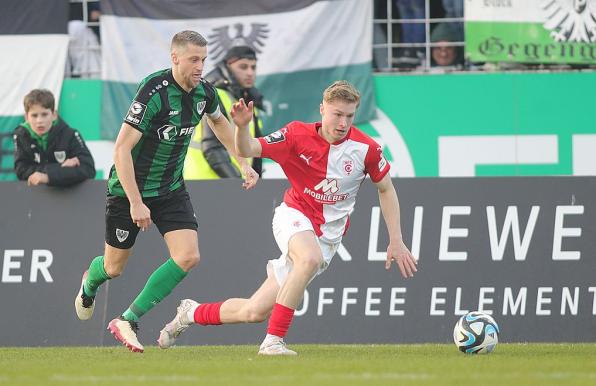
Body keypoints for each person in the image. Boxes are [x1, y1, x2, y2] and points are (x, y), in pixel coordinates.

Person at [158, 80, 418, 355]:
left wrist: (396, 240)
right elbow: (247, 149)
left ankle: (190, 313)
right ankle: (273, 342)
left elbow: (386, 188)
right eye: (337, 114)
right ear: (322, 110)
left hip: (327, 238)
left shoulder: (367, 149)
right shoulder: (295, 135)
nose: (343, 123)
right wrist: (243, 126)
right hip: (293, 215)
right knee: (308, 258)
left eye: (349, 116)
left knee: (253, 310)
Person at [73, 30, 258, 353]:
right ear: (175, 58)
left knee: (188, 256)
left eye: (203, 59)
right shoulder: (154, 91)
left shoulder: (205, 93)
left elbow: (220, 125)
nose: (200, 66)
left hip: (170, 188)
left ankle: (128, 319)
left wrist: (243, 162)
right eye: (193, 60)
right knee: (114, 268)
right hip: (128, 190)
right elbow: (121, 150)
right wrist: (135, 202)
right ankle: (91, 279)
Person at [184, 45, 263, 179]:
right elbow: (212, 150)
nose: (250, 72)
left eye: (253, 67)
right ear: (227, 68)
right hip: (205, 184)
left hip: (234, 185)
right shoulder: (213, 95)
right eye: (243, 67)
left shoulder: (249, 102)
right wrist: (236, 183)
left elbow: (254, 153)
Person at [13, 89, 96, 186]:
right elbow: (21, 171)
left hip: (68, 197)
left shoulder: (70, 134)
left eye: (44, 114)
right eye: (34, 115)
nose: (39, 120)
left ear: (54, 115)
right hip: (34, 197)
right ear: (26, 117)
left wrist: (48, 177)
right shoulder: (21, 135)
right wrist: (60, 168)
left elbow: (88, 169)